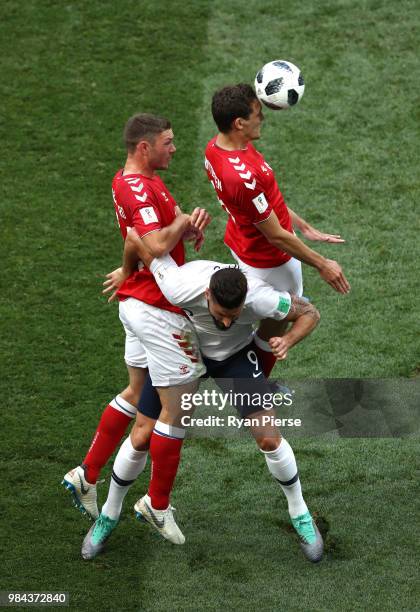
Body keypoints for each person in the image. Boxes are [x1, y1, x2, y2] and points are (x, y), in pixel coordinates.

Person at [81, 235, 323, 563]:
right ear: (207, 294)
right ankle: (108, 517)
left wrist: (289, 340)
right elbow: (140, 240)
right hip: (182, 353)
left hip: (234, 359)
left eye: (234, 316)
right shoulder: (181, 284)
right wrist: (130, 267)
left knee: (268, 437)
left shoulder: (262, 299)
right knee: (140, 435)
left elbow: (310, 312)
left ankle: (301, 515)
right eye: (220, 314)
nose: (225, 322)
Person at [62, 113, 210, 527]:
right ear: (145, 147)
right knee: (177, 408)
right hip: (156, 310)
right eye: (168, 141)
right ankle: (157, 504)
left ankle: (87, 475)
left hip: (138, 301)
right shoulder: (135, 190)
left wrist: (185, 225)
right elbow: (154, 241)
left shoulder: (135, 181)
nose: (174, 148)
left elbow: (143, 235)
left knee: (135, 390)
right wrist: (179, 225)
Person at [204, 83, 350, 376]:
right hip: (270, 259)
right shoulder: (241, 177)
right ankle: (252, 385)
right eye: (257, 113)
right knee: (277, 323)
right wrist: (323, 264)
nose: (263, 117)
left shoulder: (217, 147)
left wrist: (304, 227)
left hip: (242, 240)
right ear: (239, 122)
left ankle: (245, 371)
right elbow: (275, 235)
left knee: (263, 317)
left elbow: (267, 202)